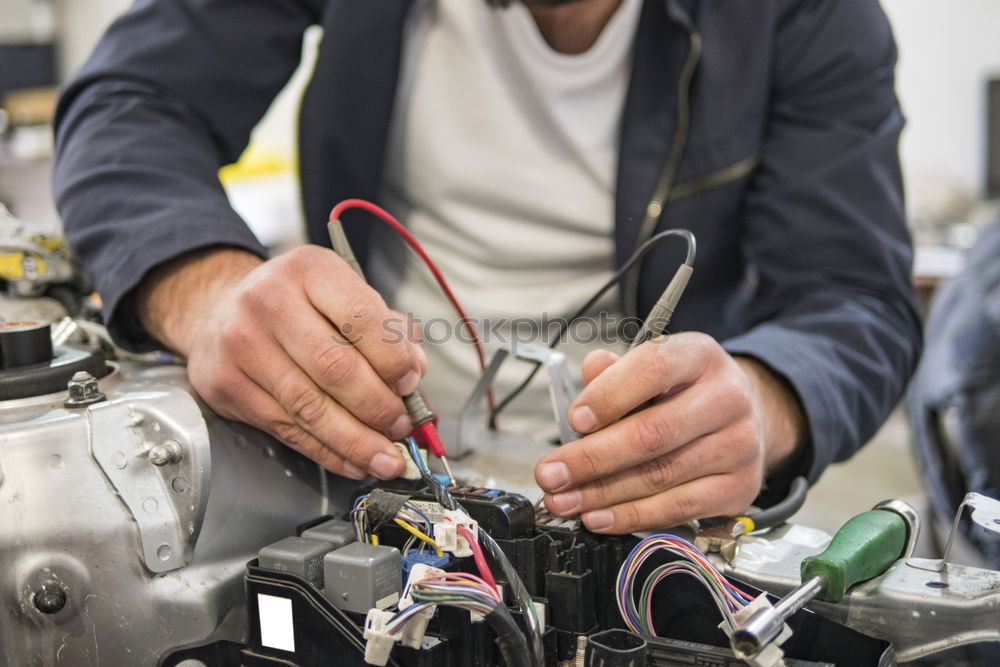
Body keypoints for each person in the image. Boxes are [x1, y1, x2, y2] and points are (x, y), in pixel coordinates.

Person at [52, 0, 921, 534]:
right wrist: (207, 291)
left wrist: (761, 405)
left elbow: (856, 302)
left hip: (650, 523)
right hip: (372, 487)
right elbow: (132, 103)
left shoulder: (809, 15)